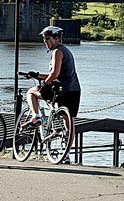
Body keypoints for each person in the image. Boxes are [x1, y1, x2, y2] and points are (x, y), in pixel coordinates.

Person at [23, 25, 81, 163]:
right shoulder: (66, 51)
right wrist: (37, 75)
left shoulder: (57, 52)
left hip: (61, 90)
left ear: (56, 38)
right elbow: (58, 73)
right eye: (44, 39)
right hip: (74, 90)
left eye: (47, 38)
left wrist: (44, 83)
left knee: (31, 92)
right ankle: (66, 154)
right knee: (69, 122)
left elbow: (54, 74)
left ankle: (36, 117)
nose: (45, 41)